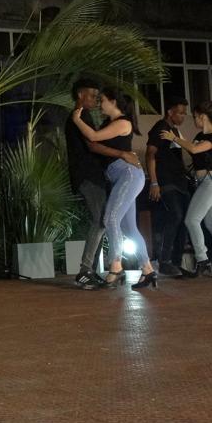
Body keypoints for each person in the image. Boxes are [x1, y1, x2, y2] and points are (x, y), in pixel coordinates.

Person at [73, 88, 156, 289]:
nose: (100, 104)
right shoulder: (112, 123)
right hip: (122, 176)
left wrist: (77, 119)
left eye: (103, 100)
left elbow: (93, 137)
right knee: (129, 228)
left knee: (110, 218)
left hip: (127, 175)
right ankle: (148, 270)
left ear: (113, 101)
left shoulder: (122, 122)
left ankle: (116, 266)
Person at [160, 100, 212, 278]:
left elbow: (194, 149)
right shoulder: (200, 135)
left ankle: (202, 259)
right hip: (204, 182)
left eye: (194, 116)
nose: (193, 120)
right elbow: (191, 148)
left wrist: (175, 138)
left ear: (203, 116)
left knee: (191, 220)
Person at [146, 97, 190, 277]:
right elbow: (150, 154)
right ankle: (164, 261)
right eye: (180, 112)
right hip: (166, 182)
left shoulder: (174, 131)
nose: (183, 116)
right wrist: (154, 182)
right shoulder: (160, 128)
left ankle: (176, 263)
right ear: (170, 112)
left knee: (184, 220)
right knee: (176, 215)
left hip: (180, 182)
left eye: (185, 113)